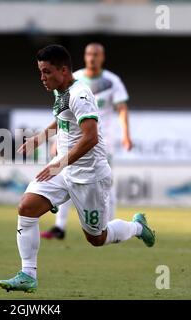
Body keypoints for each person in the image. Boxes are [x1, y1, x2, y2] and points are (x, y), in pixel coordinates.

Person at [0, 45, 155, 293]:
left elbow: (90, 137)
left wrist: (60, 162)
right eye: (40, 72)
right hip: (63, 169)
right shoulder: (61, 90)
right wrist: (40, 138)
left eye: (47, 72)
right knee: (26, 207)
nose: (42, 78)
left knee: (97, 238)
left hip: (89, 175)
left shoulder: (80, 94)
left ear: (63, 70)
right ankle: (28, 274)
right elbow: (62, 117)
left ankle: (137, 227)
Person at [41, 42, 133, 240]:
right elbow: (64, 116)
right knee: (65, 177)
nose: (92, 58)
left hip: (102, 142)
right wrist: (56, 140)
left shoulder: (111, 81)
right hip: (73, 141)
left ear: (102, 57)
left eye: (96, 54)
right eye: (89, 54)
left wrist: (126, 134)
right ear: (84, 56)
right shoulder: (72, 78)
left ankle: (109, 225)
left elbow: (122, 109)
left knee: (105, 186)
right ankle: (60, 226)